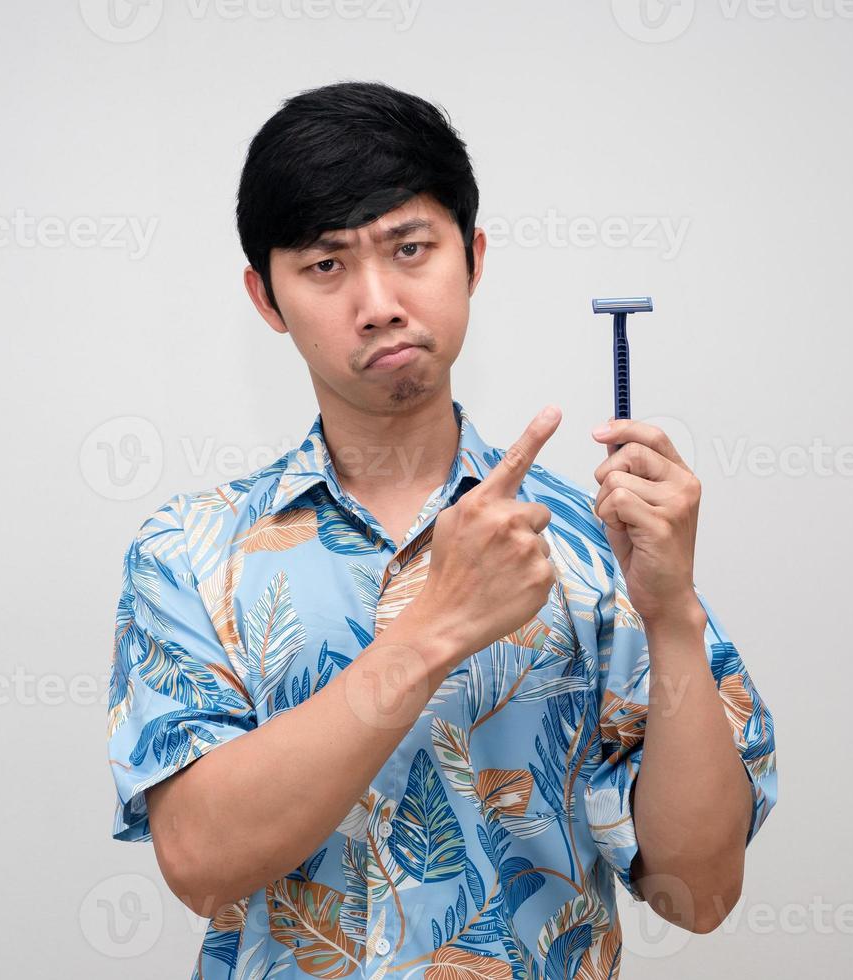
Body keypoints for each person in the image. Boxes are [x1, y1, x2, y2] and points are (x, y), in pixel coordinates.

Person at [106, 80, 777, 979]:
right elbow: (200, 864)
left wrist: (669, 612)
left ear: (473, 256)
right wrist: (435, 628)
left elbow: (698, 891)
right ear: (266, 299)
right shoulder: (186, 554)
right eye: (325, 266)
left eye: (410, 248)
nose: (378, 301)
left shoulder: (592, 541)